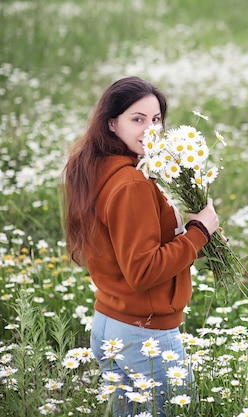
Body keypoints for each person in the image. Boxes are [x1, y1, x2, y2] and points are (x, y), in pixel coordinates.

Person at [62, 76, 219, 416]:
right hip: (144, 336)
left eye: (157, 119)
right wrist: (199, 232)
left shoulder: (101, 167)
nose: (151, 130)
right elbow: (143, 270)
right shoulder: (131, 182)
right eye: (138, 119)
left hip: (110, 321)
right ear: (112, 123)